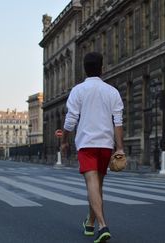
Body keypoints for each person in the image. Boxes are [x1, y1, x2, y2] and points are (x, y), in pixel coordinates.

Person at [61, 52, 124, 243]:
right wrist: (119, 148)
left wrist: (64, 140)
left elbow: (71, 119)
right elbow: (118, 122)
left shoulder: (78, 90)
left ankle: (102, 226)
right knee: (97, 186)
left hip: (87, 144)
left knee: (91, 184)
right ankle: (89, 223)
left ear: (84, 69)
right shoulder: (112, 91)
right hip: (105, 145)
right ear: (102, 68)